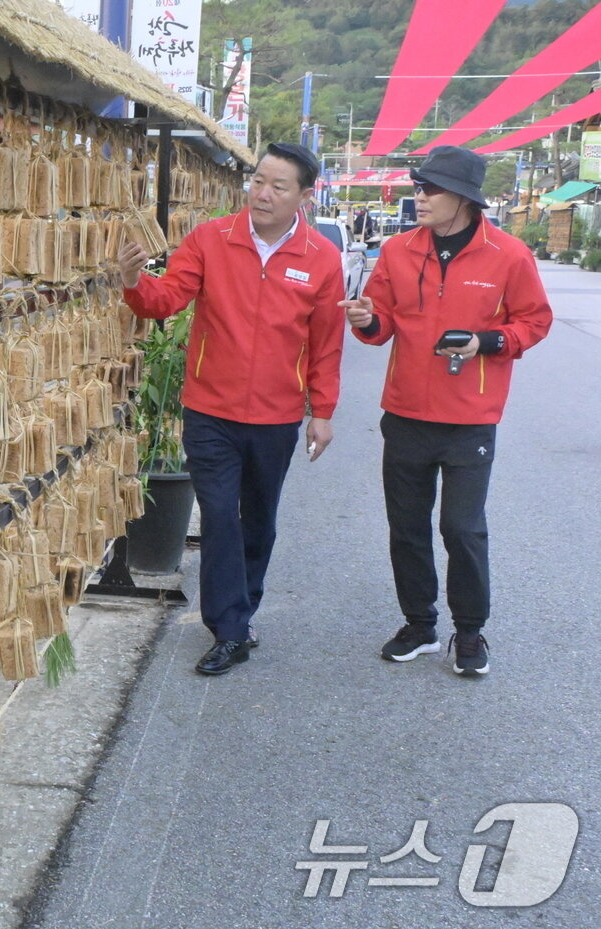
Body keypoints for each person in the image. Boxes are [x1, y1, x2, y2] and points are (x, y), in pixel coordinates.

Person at [117, 142, 346, 676]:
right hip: (210, 411)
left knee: (259, 522)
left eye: (278, 186)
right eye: (258, 181)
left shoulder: (321, 258)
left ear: (304, 197)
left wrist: (323, 411)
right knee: (220, 517)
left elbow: (326, 343)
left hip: (276, 416)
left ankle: (242, 611)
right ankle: (230, 630)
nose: (262, 194)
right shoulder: (211, 238)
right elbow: (166, 299)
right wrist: (133, 282)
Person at [340, 145, 552, 676]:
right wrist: (365, 319)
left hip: (470, 419)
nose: (421, 197)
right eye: (419, 187)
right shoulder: (397, 250)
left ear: (462, 198)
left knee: (462, 528)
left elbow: (535, 321)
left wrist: (487, 341)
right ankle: (420, 624)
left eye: (431, 189)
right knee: (407, 527)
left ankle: (471, 631)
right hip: (405, 413)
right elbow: (381, 324)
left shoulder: (509, 254)